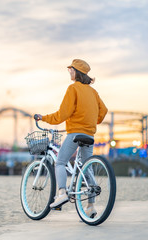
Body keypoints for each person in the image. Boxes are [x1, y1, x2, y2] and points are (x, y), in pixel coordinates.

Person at [34, 59, 108, 217]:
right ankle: (90, 207)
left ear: (77, 72)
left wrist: (44, 118)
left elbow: (62, 114)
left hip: (75, 133)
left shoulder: (73, 88)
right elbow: (103, 111)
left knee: (60, 162)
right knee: (85, 167)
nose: (69, 72)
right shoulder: (93, 92)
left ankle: (61, 193)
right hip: (89, 134)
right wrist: (91, 120)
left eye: (71, 70)